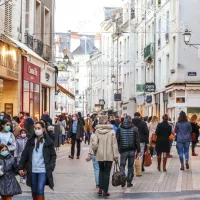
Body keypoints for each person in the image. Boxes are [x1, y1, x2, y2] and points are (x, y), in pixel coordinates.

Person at [18, 122, 57, 200]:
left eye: (39, 128)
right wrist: (20, 167)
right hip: (32, 170)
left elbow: (53, 155)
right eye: (35, 128)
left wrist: (51, 167)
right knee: (34, 191)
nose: (37, 130)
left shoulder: (48, 142)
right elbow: (24, 155)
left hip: (43, 170)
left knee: (40, 190)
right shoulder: (30, 141)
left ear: (43, 129)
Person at [92, 115, 119, 197]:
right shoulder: (112, 132)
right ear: (106, 122)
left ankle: (100, 189)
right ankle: (105, 191)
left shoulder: (97, 131)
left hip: (100, 154)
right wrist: (116, 156)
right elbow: (114, 145)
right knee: (107, 172)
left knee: (101, 171)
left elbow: (94, 144)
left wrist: (95, 151)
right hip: (109, 155)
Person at [116, 116, 140, 187]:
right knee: (130, 166)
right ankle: (129, 182)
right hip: (132, 150)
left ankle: (123, 178)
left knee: (122, 165)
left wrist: (117, 149)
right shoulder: (135, 129)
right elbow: (137, 141)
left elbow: (117, 140)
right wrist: (138, 150)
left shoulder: (119, 129)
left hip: (123, 150)